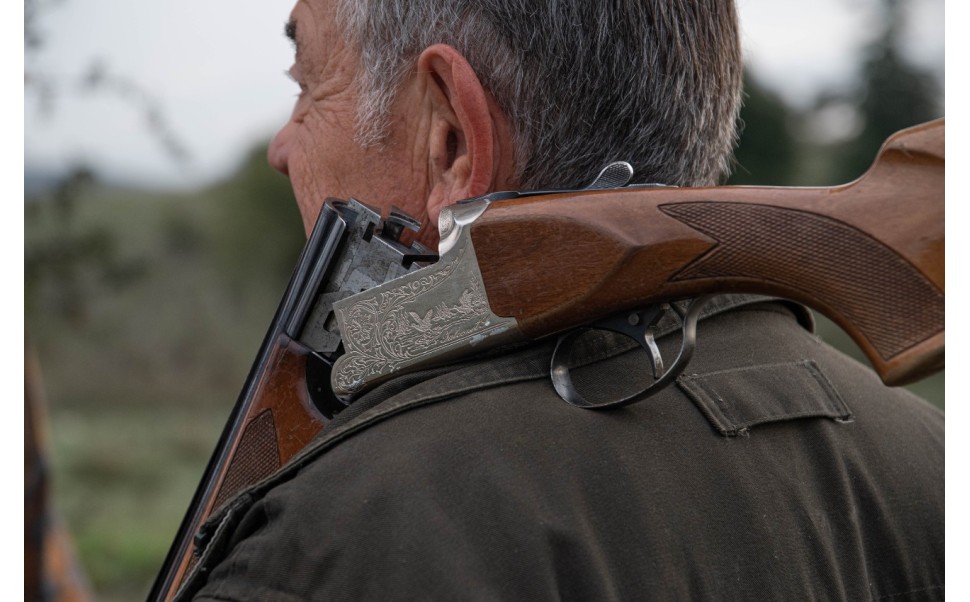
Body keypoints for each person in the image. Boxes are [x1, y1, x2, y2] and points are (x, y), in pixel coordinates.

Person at [188, 0, 944, 599]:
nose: (280, 147)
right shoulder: (935, 458)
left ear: (450, 142)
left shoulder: (324, 545)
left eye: (307, 86)